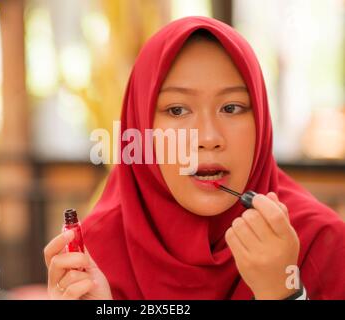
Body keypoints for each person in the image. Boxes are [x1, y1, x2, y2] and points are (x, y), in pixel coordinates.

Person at [44, 16, 345, 300]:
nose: (209, 138)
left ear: (263, 123)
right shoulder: (94, 255)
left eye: (231, 108)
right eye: (177, 110)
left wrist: (284, 291)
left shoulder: (320, 241)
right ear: (141, 128)